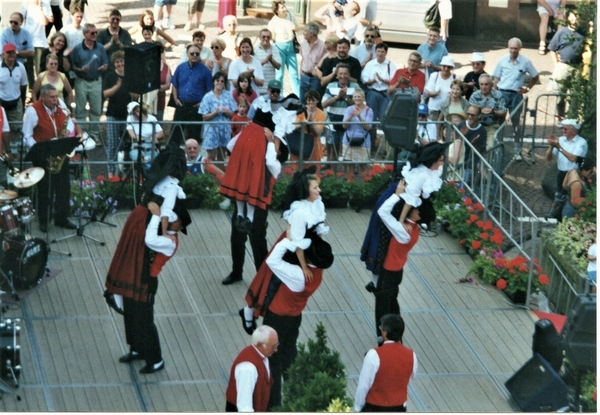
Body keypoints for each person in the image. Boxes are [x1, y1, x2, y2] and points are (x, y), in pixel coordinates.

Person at [241, 209, 334, 409]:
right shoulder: (315, 273)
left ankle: (273, 405)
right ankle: (294, 397)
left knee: (272, 363)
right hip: (293, 318)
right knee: (289, 358)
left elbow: (272, 261)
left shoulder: (299, 275)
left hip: (276, 319)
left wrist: (289, 240)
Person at [219, 80, 294, 285]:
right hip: (247, 191)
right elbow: (233, 146)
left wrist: (270, 145)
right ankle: (237, 271)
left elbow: (275, 168)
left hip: (260, 194)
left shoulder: (280, 146)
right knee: (238, 233)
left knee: (257, 237)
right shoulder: (254, 134)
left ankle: (262, 276)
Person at [105, 200, 191, 374]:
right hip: (139, 275)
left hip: (146, 280)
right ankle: (137, 348)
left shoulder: (170, 241)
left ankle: (155, 359)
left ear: (177, 223)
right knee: (131, 313)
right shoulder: (166, 233)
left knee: (145, 319)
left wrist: (157, 216)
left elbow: (149, 239)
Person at [22, 84, 77, 233]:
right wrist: (39, 150)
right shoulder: (33, 110)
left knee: (64, 188)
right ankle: (44, 221)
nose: (55, 100)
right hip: (42, 156)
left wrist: (68, 132)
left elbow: (70, 125)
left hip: (59, 154)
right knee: (45, 190)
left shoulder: (61, 108)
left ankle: (61, 218)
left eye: (56, 97)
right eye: (52, 97)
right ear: (43, 97)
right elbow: (27, 135)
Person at [354, 313, 417, 412]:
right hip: (399, 407)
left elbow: (363, 386)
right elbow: (409, 378)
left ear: (385, 332)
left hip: (375, 407)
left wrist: (358, 407)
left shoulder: (373, 355)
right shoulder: (411, 355)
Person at [492, 37, 539, 159]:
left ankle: (517, 149)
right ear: (508, 48)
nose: (513, 51)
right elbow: (496, 78)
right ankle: (499, 146)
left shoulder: (525, 62)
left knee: (516, 123)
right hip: (502, 93)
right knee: (500, 121)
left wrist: (527, 89)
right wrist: (494, 93)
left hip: (516, 96)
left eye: (516, 48)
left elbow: (535, 76)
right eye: (511, 48)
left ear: (520, 49)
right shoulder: (502, 60)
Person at [70, 23, 109, 146]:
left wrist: (103, 67)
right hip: (81, 81)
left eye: (96, 32)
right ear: (85, 34)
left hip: (96, 81)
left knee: (96, 110)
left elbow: (106, 63)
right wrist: (80, 70)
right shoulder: (77, 48)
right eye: (92, 33)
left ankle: (94, 135)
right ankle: (81, 135)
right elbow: (73, 66)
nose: (95, 35)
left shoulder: (100, 47)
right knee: (80, 110)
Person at [225, 325, 279, 412]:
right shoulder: (248, 368)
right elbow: (244, 406)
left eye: (277, 345)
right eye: (273, 346)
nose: (276, 349)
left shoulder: (263, 355)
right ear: (261, 345)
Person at [544, 119, 588, 220]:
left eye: (565, 129)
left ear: (573, 130)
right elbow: (547, 158)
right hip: (561, 172)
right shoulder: (561, 140)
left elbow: (573, 158)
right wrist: (551, 147)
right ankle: (555, 214)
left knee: (571, 198)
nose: (563, 131)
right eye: (562, 128)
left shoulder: (581, 143)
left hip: (574, 174)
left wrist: (558, 147)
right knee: (559, 195)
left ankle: (569, 217)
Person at [171, 43, 213, 145]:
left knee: (194, 137)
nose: (195, 55)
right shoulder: (180, 68)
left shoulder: (205, 70)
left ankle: (192, 160)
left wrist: (202, 103)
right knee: (174, 136)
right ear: (187, 54)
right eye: (192, 53)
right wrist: (175, 99)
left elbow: (210, 91)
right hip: (181, 105)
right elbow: (174, 84)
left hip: (196, 107)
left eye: (197, 54)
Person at [547, 9, 584, 118]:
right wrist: (556, 64)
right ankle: (561, 118)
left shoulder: (583, 32)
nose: (575, 19)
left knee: (574, 96)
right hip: (563, 66)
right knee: (560, 95)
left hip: (577, 68)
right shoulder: (562, 31)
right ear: (568, 18)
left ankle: (572, 119)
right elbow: (552, 48)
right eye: (572, 16)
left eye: (577, 16)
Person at [103, 50, 133, 178]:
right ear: (114, 63)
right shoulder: (110, 76)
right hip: (113, 114)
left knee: (128, 143)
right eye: (117, 62)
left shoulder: (131, 76)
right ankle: (111, 172)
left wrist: (132, 89)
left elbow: (136, 96)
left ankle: (126, 171)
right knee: (112, 143)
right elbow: (105, 94)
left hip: (128, 115)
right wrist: (117, 86)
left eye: (122, 61)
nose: (120, 64)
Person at [321, 63, 359, 162]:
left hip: (349, 123)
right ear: (337, 75)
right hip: (332, 122)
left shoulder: (355, 87)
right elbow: (323, 104)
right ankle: (332, 172)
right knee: (332, 148)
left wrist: (346, 97)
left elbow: (358, 105)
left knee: (348, 149)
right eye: (340, 74)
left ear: (349, 74)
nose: (343, 76)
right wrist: (337, 97)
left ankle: (348, 173)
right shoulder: (330, 86)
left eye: (345, 73)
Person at [362, 42, 395, 152]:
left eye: (382, 51)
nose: (380, 54)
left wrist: (383, 80)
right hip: (373, 92)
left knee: (384, 120)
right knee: (371, 119)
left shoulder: (391, 64)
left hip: (386, 94)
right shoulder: (370, 64)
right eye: (378, 51)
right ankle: (371, 146)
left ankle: (385, 148)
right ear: (375, 52)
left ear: (386, 53)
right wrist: (372, 81)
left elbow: (395, 80)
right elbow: (364, 79)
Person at [199, 71, 237, 161]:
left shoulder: (228, 95)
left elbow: (233, 114)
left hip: (224, 129)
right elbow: (204, 117)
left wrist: (226, 112)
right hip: (211, 129)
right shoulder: (207, 97)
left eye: (222, 81)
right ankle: (209, 175)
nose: (219, 82)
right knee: (211, 156)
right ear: (214, 81)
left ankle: (220, 175)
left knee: (221, 157)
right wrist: (215, 112)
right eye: (217, 80)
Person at [268, 0, 300, 97]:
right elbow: (271, 38)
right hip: (279, 47)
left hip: (291, 47)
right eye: (282, 8)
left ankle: (298, 97)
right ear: (276, 10)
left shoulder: (291, 16)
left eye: (284, 6)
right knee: (279, 75)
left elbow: (298, 28)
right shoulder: (273, 22)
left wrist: (294, 28)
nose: (285, 9)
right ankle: (279, 96)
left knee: (294, 74)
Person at [0, 43, 29, 150]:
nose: (11, 55)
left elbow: (24, 85)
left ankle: (15, 155)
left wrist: (22, 102)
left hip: (16, 103)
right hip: (1, 103)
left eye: (13, 52)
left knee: (17, 129)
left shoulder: (21, 67)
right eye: (8, 52)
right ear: (3, 54)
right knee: (1, 129)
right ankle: (3, 153)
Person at [0, 13, 35, 98]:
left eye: (15, 22)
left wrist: (15, 52)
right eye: (11, 22)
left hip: (22, 64)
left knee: (23, 87)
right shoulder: (4, 33)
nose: (12, 24)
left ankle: (28, 94)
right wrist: (22, 53)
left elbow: (31, 52)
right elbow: (3, 54)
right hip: (7, 64)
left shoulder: (26, 34)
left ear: (21, 23)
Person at [290, 90, 325, 170]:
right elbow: (294, 127)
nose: (311, 102)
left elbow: (318, 132)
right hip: (300, 142)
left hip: (313, 143)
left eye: (313, 100)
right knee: (298, 170)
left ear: (317, 100)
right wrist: (305, 122)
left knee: (313, 170)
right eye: (309, 100)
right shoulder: (301, 110)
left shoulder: (321, 114)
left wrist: (312, 122)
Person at [469, 74, 506, 149]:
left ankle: (488, 160)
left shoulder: (498, 95)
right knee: (472, 145)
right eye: (481, 84)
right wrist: (480, 111)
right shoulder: (475, 96)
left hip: (492, 126)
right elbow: (470, 112)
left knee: (490, 147)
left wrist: (494, 112)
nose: (484, 87)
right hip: (477, 125)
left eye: (486, 84)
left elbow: (504, 112)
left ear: (491, 85)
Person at [342, 88, 373, 174]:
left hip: (363, 142)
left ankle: (364, 186)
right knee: (350, 166)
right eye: (355, 97)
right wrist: (351, 115)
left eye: (359, 96)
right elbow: (344, 126)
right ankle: (350, 185)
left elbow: (368, 127)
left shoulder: (369, 110)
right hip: (348, 140)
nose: (357, 99)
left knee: (363, 167)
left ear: (363, 98)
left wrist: (359, 116)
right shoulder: (349, 109)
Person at [21, 0, 50, 87]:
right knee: (28, 68)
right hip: (28, 41)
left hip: (40, 42)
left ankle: (41, 89)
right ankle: (31, 89)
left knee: (40, 68)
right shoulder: (25, 4)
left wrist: (40, 8)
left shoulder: (45, 4)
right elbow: (20, 20)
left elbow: (45, 22)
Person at [423, 55, 455, 126]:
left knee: (445, 131)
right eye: (444, 66)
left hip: (448, 110)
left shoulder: (455, 77)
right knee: (432, 128)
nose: (446, 69)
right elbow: (428, 93)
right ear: (441, 66)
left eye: (449, 67)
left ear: (451, 68)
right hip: (434, 109)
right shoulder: (434, 76)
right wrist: (435, 93)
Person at [458, 105, 487, 183]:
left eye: (473, 115)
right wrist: (462, 135)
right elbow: (454, 143)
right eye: (468, 114)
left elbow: (480, 151)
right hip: (459, 159)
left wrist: (474, 144)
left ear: (479, 116)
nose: (470, 117)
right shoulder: (461, 125)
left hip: (471, 161)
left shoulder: (482, 130)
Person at [299, 23, 326, 105]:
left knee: (314, 103)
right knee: (303, 102)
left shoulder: (323, 46)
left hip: (315, 79)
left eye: (305, 31)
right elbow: (302, 58)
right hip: (304, 77)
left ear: (311, 34)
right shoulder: (303, 44)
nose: (303, 32)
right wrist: (301, 72)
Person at [254, 29, 282, 97]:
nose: (266, 39)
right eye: (264, 37)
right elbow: (252, 67)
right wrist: (264, 61)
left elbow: (278, 66)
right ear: (259, 37)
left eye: (268, 37)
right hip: (257, 87)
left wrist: (271, 60)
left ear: (271, 38)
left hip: (270, 88)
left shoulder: (275, 49)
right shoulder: (254, 49)